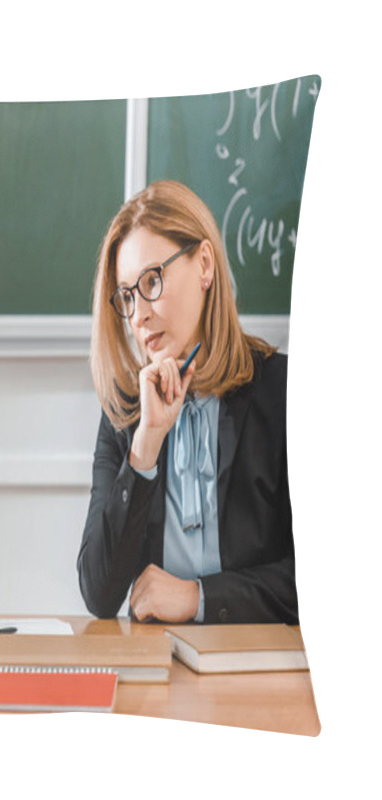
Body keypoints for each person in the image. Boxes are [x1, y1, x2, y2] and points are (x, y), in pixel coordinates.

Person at [77, 180, 298, 625]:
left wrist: (199, 597)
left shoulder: (283, 391)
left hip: (258, 663)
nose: (138, 315)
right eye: (126, 296)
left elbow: (321, 578)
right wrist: (146, 445)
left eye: (152, 281)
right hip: (162, 664)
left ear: (203, 266)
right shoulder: (126, 412)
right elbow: (99, 594)